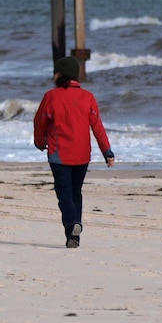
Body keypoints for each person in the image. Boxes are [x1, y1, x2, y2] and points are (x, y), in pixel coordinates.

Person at [33, 56, 115, 249]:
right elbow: (98, 127)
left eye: (55, 72)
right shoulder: (88, 97)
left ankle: (73, 224)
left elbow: (39, 122)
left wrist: (39, 142)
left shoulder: (51, 96)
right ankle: (73, 237)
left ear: (61, 74)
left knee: (64, 194)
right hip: (82, 155)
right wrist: (107, 151)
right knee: (75, 193)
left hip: (59, 154)